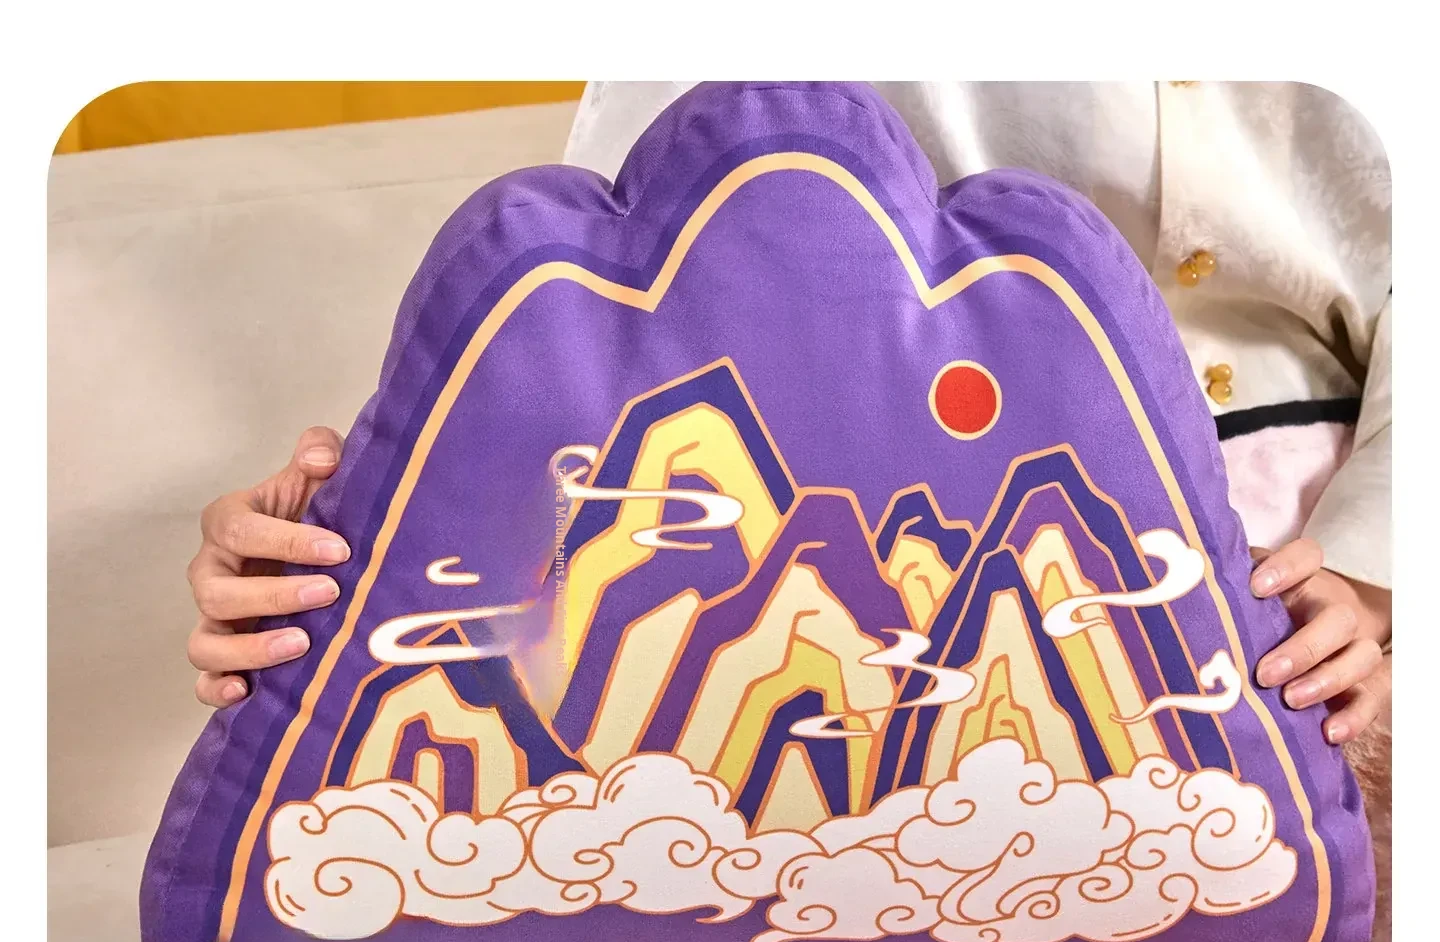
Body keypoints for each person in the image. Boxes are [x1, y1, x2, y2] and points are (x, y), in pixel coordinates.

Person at [183, 81, 1392, 744]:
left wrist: (1381, 587)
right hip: (908, 568)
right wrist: (352, 540)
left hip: (1323, 593)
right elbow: (610, 321)